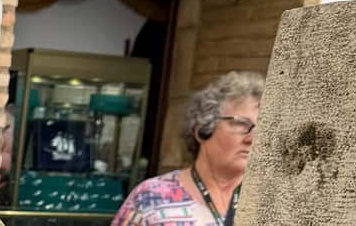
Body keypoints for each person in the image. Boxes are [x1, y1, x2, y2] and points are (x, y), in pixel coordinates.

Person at [111, 71, 263, 226]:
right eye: (240, 124)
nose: (252, 138)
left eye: (263, 129)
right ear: (203, 130)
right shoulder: (151, 197)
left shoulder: (270, 202)